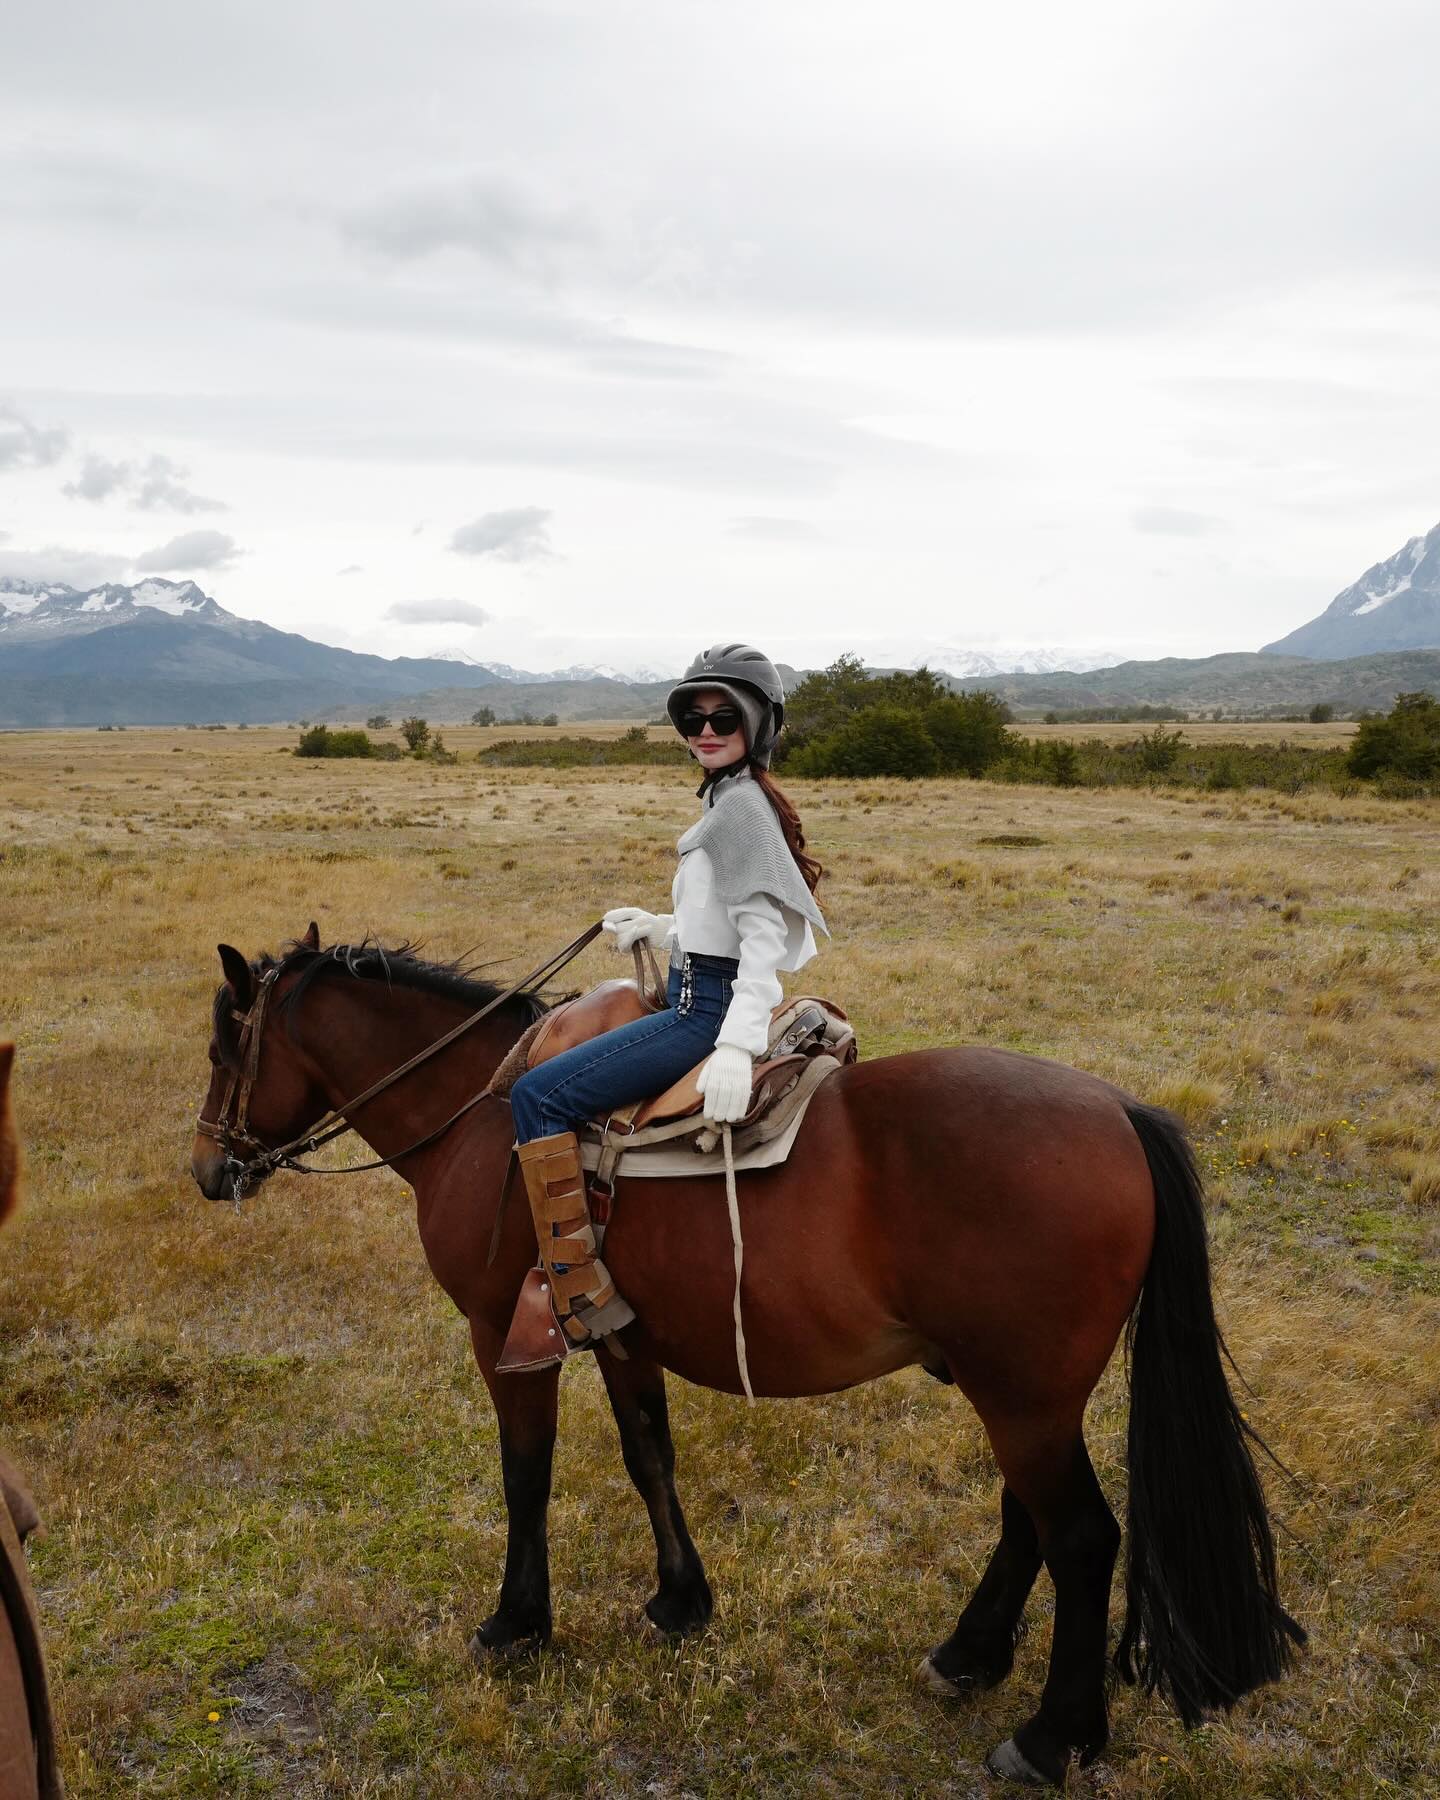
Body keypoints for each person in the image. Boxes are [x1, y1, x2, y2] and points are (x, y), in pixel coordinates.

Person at [505, 643, 827, 1365]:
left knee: (537, 1096)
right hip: (699, 987)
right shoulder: (734, 797)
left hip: (703, 1014)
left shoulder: (740, 807)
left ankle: (581, 1292)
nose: (705, 730)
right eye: (693, 717)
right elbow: (724, 920)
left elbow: (763, 936)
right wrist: (664, 927)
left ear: (757, 723)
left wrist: (737, 1047)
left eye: (723, 717)